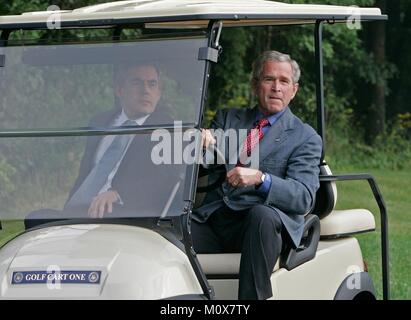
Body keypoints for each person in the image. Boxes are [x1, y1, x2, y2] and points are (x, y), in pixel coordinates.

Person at [193, 50, 322, 300]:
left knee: (260, 216)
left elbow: (304, 197)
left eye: (284, 81)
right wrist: (199, 145)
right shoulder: (228, 118)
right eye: (268, 79)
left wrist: (261, 179)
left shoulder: (305, 137)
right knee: (166, 236)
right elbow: (205, 162)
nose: (276, 88)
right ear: (255, 85)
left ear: (294, 90)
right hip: (217, 219)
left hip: (263, 225)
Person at [25, 63, 178, 228]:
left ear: (159, 93)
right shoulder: (100, 122)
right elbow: (87, 173)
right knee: (36, 218)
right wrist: (71, 207)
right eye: (137, 83)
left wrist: (117, 194)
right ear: (120, 90)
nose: (145, 90)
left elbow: (165, 180)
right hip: (81, 210)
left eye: (152, 84)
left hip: (126, 214)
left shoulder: (167, 129)